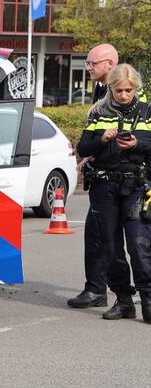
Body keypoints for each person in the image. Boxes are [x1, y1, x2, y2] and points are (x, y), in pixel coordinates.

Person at [73, 64, 151, 323]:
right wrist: (102, 140)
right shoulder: (99, 112)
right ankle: (124, 300)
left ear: (135, 89)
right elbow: (83, 147)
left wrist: (137, 144)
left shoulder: (147, 112)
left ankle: (148, 300)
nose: (124, 95)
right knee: (111, 246)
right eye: (119, 90)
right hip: (104, 187)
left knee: (139, 245)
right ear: (111, 89)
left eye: (129, 90)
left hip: (135, 186)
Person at [69, 43, 135, 311]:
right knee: (97, 235)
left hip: (125, 179)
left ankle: (125, 292)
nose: (88, 68)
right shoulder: (100, 93)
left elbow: (130, 137)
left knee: (132, 239)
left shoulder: (127, 96)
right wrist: (88, 154)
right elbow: (94, 135)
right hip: (102, 178)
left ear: (109, 64)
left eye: (92, 64)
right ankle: (96, 288)